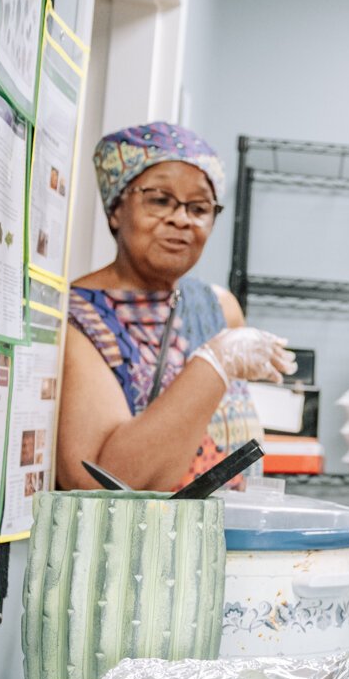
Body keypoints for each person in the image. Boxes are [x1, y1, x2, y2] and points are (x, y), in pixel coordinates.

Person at [58, 122, 296, 492]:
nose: (181, 219)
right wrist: (216, 360)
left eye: (199, 207)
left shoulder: (218, 308)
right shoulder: (77, 319)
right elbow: (103, 487)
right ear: (117, 208)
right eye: (159, 200)